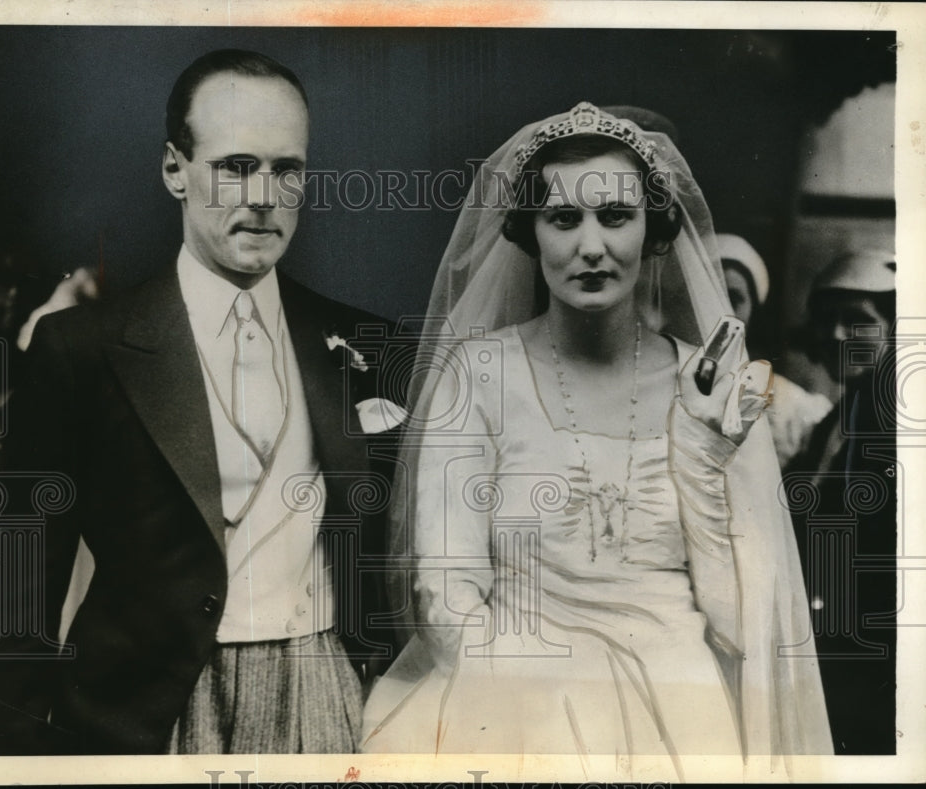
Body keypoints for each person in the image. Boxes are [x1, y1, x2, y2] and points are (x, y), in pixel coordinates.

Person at [361, 102, 831, 774]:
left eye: (615, 216)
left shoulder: (709, 383)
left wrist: (701, 456)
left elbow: (740, 621)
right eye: (563, 218)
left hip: (682, 705)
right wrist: (546, 691)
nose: (590, 245)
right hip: (517, 695)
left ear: (653, 229)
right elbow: (446, 591)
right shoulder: (479, 373)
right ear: (530, 233)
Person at [0, 49, 401, 755]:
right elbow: (25, 575)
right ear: (176, 168)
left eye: (286, 170)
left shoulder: (364, 341)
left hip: (328, 699)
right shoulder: (80, 347)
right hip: (148, 709)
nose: (263, 195)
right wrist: (15, 746)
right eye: (235, 167)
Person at [786, 248, 896, 754]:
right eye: (828, 321)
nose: (836, 337)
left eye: (858, 322)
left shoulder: (900, 431)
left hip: (876, 665)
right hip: (827, 656)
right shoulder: (835, 422)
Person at [716, 233, 832, 468]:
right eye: (706, 294)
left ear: (753, 311)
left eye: (733, 298)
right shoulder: (655, 384)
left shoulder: (792, 406)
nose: (718, 309)